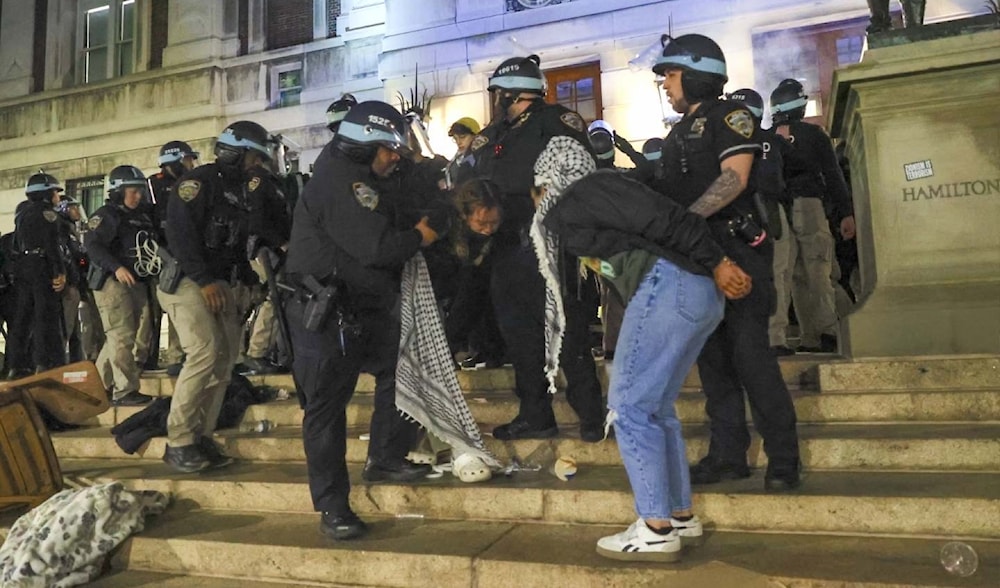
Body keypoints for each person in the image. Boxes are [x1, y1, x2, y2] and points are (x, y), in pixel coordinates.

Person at [528, 135, 750, 562]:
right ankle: (679, 515)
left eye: (537, 191)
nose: (536, 203)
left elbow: (664, 219)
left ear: (549, 179)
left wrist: (718, 260)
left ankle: (654, 527)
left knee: (628, 407)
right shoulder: (580, 204)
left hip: (670, 286)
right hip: (686, 291)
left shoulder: (587, 191)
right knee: (655, 408)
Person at [650, 33, 802, 491]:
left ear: (697, 75)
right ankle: (728, 454)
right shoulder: (677, 131)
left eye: (671, 75)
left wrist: (685, 222)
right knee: (713, 360)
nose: (666, 85)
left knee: (750, 356)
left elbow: (734, 180)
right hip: (697, 257)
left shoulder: (729, 116)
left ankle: (784, 460)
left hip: (737, 249)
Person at [283, 101, 441, 541]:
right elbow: (377, 248)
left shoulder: (366, 174)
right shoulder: (339, 180)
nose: (395, 157)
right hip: (324, 315)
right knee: (326, 411)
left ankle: (386, 457)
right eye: (388, 149)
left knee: (402, 366)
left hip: (361, 308)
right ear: (363, 144)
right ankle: (332, 506)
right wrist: (421, 236)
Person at [470, 54, 605, 442]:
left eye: (498, 94)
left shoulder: (556, 124)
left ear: (512, 93)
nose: (496, 100)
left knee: (568, 333)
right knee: (520, 338)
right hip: (506, 248)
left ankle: (590, 414)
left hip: (551, 248)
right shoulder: (496, 133)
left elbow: (579, 178)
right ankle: (535, 413)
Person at [158, 120, 267, 473]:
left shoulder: (240, 191)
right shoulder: (198, 183)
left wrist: (248, 279)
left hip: (218, 282)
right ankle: (178, 441)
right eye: (253, 155)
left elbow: (234, 243)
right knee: (204, 352)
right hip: (189, 281)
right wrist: (206, 280)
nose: (257, 163)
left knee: (225, 360)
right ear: (235, 153)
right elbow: (180, 234)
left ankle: (201, 435)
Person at [769, 79, 855, 354]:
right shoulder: (814, 135)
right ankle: (826, 332)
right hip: (809, 206)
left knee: (790, 274)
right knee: (818, 268)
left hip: (778, 210)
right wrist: (845, 213)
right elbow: (833, 175)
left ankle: (801, 336)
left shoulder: (767, 138)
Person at [727, 88, 796, 356]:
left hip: (737, 214)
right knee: (777, 274)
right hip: (770, 212)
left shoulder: (727, 142)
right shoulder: (772, 141)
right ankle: (774, 337)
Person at [84, 166, 159, 407]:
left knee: (118, 337)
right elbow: (92, 245)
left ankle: (95, 389)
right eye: (132, 191)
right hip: (112, 283)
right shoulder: (107, 214)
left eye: (140, 191)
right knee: (122, 336)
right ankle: (125, 390)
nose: (137, 196)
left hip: (136, 282)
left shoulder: (142, 215)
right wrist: (116, 267)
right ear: (118, 191)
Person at [144, 140, 200, 372]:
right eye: (187, 159)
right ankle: (142, 357)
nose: (190, 164)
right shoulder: (152, 185)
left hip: (182, 253)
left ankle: (178, 357)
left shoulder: (190, 184)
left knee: (181, 306)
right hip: (159, 254)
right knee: (150, 314)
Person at [7, 172, 68, 378]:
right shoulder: (48, 214)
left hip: (23, 266)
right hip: (41, 265)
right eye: (55, 193)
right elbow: (52, 245)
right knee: (45, 315)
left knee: (22, 317)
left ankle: (16, 365)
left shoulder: (22, 214)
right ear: (46, 195)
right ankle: (44, 362)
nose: (58, 198)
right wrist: (59, 271)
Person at [55, 196, 87, 363]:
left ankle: (76, 361)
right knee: (66, 327)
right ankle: (60, 362)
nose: (77, 211)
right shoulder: (62, 229)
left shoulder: (70, 228)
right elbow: (68, 256)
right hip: (68, 286)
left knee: (75, 329)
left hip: (74, 283)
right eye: (73, 208)